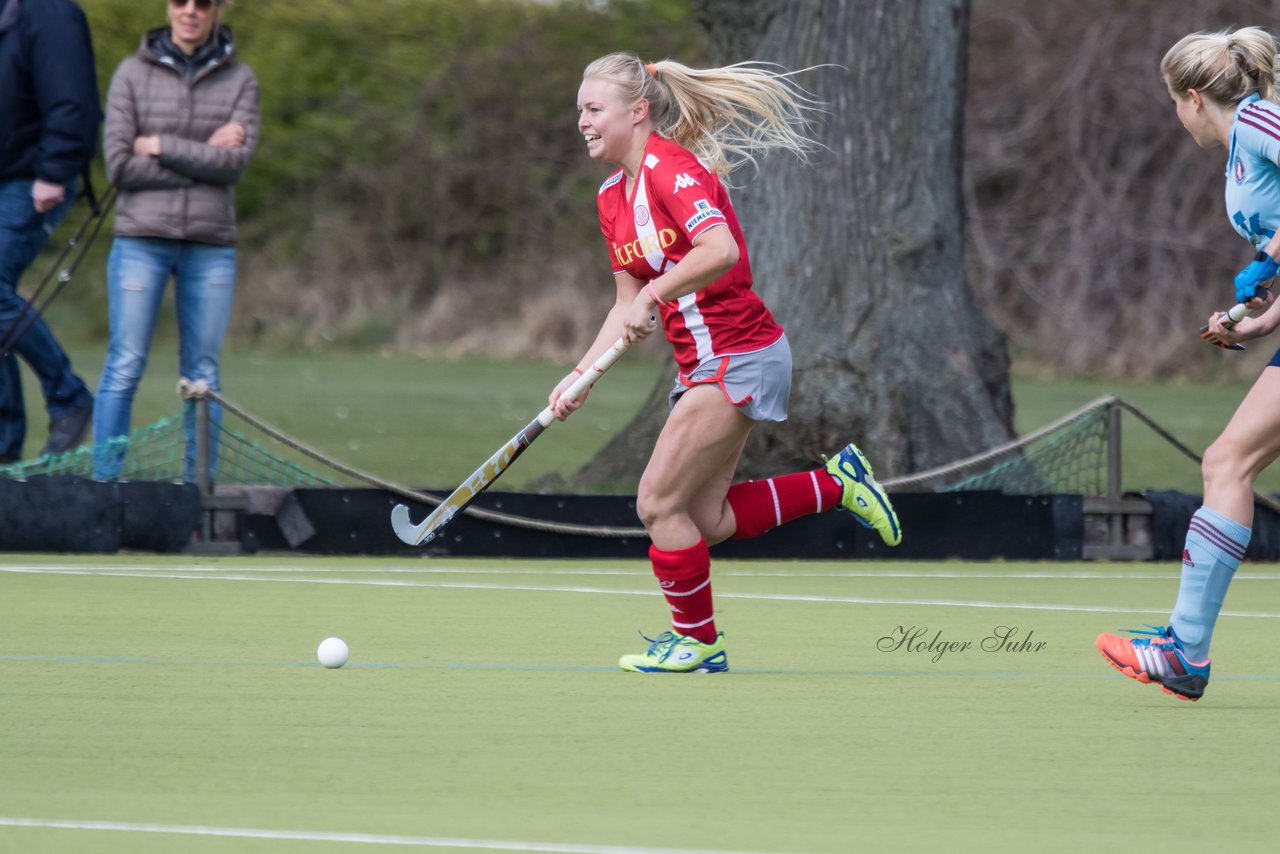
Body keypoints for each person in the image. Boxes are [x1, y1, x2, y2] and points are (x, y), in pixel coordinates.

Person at [554, 53, 902, 674]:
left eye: (592, 109)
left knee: (657, 505)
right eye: (579, 109)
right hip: (706, 365)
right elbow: (625, 304)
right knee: (702, 520)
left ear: (636, 111)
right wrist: (582, 376)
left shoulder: (672, 170)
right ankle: (838, 484)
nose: (581, 121)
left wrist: (658, 295)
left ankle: (700, 643)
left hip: (740, 353)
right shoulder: (612, 196)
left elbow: (720, 249)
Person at [1096, 26, 1280, 701]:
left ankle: (1185, 650)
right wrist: (1257, 317)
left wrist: (1263, 262)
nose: (1175, 116)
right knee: (1226, 462)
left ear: (1195, 98)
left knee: (1226, 463)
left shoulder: (1260, 118)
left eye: (1173, 102)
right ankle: (1185, 649)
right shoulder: (1238, 158)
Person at [93, 0, 258, 482]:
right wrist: (204, 156)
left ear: (218, 10)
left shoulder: (241, 80)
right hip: (140, 239)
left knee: (203, 375)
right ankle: (104, 490)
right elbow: (120, 166)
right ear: (168, 8)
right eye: (180, 1)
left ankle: (198, 497)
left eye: (202, 3)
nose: (190, 11)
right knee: (124, 367)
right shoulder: (130, 74)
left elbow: (235, 165)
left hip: (211, 244)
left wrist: (161, 146)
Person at [0, 0, 100, 464]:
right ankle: (3, 443)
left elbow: (72, 99)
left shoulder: (49, 13)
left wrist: (56, 169)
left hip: (32, 177)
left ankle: (69, 399)